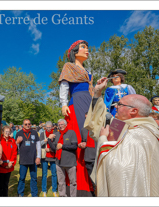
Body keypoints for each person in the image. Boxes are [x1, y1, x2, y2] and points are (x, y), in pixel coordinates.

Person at [84, 77, 159, 196]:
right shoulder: (128, 126)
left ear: (133, 111)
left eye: (120, 104)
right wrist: (97, 93)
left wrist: (103, 139)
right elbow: (99, 119)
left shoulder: (138, 134)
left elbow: (118, 168)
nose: (115, 106)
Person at [58, 40, 94, 196]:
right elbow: (64, 86)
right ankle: (79, 186)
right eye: (84, 47)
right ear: (74, 51)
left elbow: (92, 90)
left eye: (87, 48)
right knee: (80, 137)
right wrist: (63, 104)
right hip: (77, 101)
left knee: (92, 137)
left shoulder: (87, 70)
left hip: (90, 102)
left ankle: (92, 182)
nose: (87, 50)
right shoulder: (69, 66)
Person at [48, 119, 78, 197]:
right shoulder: (56, 134)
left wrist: (63, 146)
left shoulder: (71, 133)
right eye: (59, 125)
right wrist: (49, 140)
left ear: (65, 124)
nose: (60, 126)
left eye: (62, 124)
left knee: (73, 182)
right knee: (61, 182)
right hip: (59, 162)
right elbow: (55, 149)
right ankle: (62, 196)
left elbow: (75, 146)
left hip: (70, 162)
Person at [16, 119, 41, 197]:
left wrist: (38, 157)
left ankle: (34, 194)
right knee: (22, 178)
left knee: (34, 178)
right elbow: (14, 147)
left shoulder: (35, 133)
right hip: (23, 159)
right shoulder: (19, 133)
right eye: (26, 124)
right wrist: (17, 142)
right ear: (23, 125)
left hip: (33, 159)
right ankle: (20, 193)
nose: (27, 125)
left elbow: (39, 146)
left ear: (31, 125)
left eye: (29, 124)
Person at [78, 112, 97, 196]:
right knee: (93, 182)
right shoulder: (83, 130)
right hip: (88, 159)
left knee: (100, 181)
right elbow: (84, 141)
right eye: (85, 118)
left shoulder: (100, 128)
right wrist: (81, 145)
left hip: (98, 159)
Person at [0, 126, 17, 196]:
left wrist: (11, 163)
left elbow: (14, 153)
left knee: (6, 184)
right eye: (6, 131)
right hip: (1, 167)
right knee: (0, 185)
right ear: (3, 132)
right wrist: (4, 164)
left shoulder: (12, 141)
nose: (7, 133)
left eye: (9, 132)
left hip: (9, 167)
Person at [39, 121, 58, 197]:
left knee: (54, 174)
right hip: (45, 156)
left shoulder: (55, 134)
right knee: (44, 174)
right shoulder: (42, 134)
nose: (49, 128)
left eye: (50, 127)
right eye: (47, 127)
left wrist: (50, 150)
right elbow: (39, 144)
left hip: (53, 156)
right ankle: (44, 190)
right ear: (45, 127)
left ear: (52, 127)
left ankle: (54, 190)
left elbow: (57, 145)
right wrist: (46, 140)